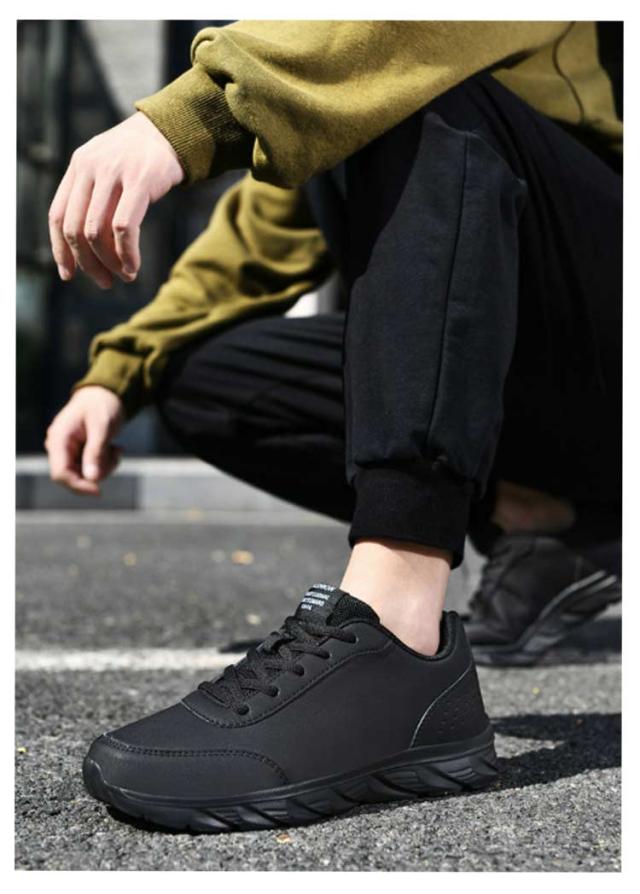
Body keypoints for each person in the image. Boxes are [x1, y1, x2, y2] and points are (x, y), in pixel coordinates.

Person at [45, 21, 622, 831]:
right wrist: (117, 372)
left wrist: (190, 118)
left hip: (607, 334)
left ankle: (397, 634)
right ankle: (544, 519)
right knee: (202, 379)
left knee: (409, 93)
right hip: (522, 377)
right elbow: (255, 240)